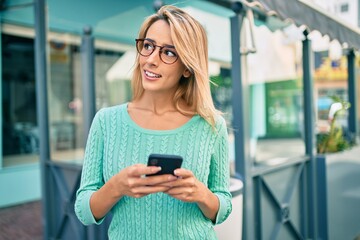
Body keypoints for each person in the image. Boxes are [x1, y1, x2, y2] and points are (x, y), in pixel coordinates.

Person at [75, 5, 232, 240]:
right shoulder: (106, 122)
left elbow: (223, 207)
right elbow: (84, 212)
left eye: (168, 52)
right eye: (147, 46)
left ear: (188, 67)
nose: (150, 60)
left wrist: (200, 193)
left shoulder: (211, 126)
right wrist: (117, 186)